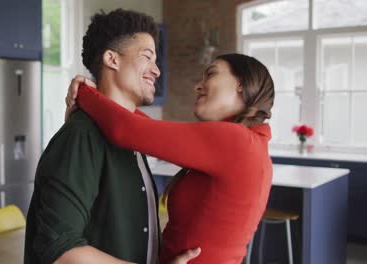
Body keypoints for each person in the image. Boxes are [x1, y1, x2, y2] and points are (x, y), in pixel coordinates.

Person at [24, 9, 199, 264]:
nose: (157, 71)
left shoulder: (132, 136)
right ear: (112, 60)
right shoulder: (80, 136)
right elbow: (60, 250)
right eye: (146, 57)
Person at [65, 53, 275, 264]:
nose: (198, 86)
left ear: (242, 84)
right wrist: (103, 96)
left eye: (210, 74)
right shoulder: (248, 145)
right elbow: (143, 128)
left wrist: (83, 92)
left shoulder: (237, 142)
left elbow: (125, 129)